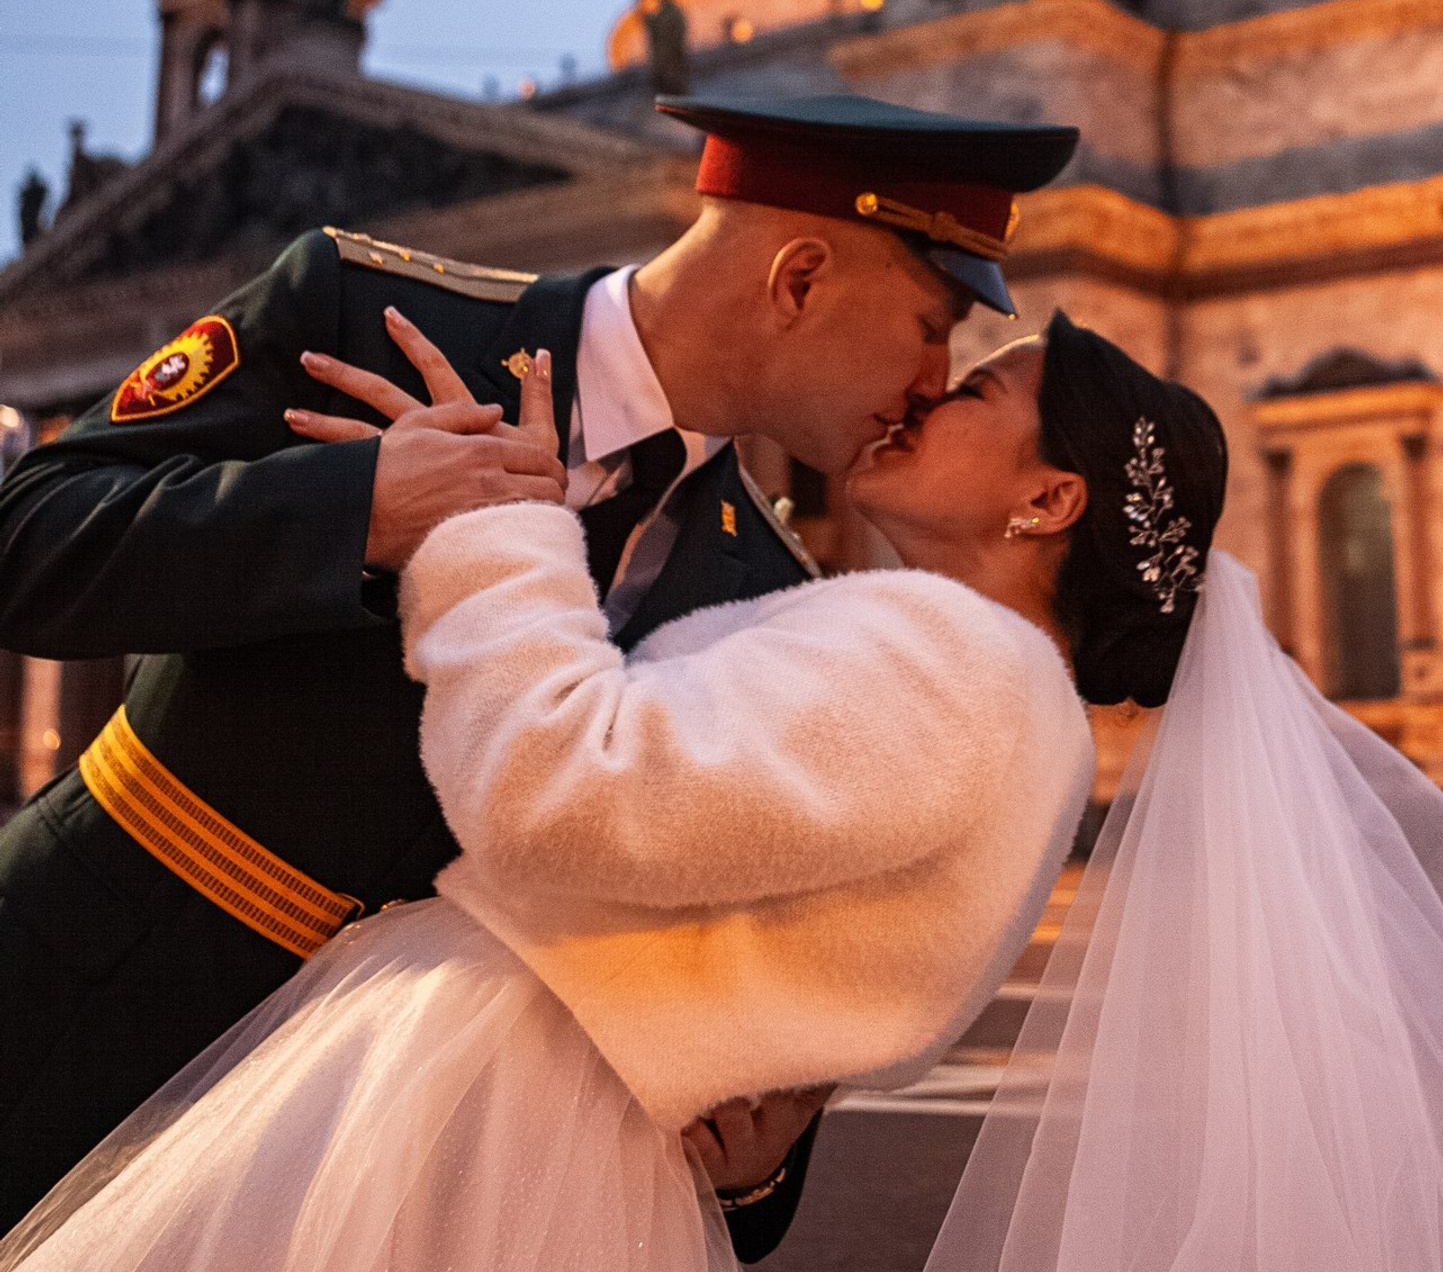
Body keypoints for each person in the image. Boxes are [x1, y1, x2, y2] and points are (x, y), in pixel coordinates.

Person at [0, 90, 1077, 1253]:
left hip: (383, 1164)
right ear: (799, 280)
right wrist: (355, 509)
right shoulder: (366, 312)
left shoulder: (774, 587)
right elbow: (29, 536)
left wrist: (756, 1172)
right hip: (71, 1000)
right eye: (931, 326)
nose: (935, 380)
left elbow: (734, 972)